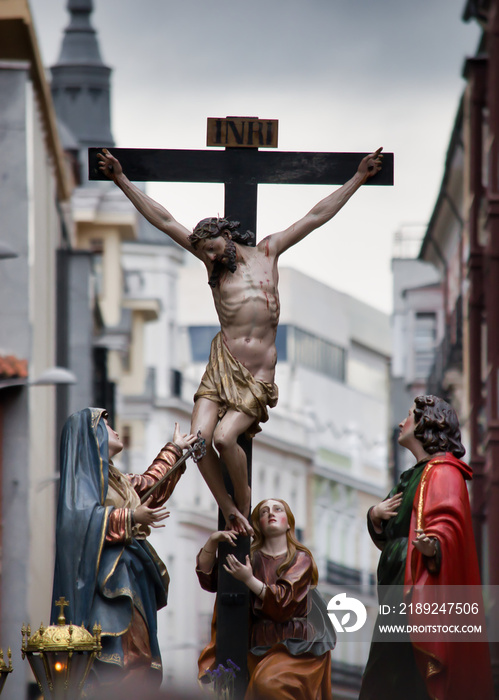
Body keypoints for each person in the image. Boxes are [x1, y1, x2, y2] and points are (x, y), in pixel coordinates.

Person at [97, 147, 383, 535]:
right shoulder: (209, 262)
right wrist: (120, 180)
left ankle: (243, 501)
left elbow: (316, 216)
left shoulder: (268, 250)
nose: (210, 258)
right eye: (204, 254)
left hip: (257, 369)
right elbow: (164, 220)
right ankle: (229, 508)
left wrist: (358, 178)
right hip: (223, 361)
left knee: (225, 437)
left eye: (213, 249)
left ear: (227, 235)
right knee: (196, 441)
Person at [51, 407, 196, 692]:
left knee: (139, 657)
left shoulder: (116, 480)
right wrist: (130, 518)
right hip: (108, 584)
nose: (113, 428)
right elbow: (78, 524)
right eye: (105, 423)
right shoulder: (85, 483)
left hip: (132, 573)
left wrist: (175, 449)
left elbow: (149, 486)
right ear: (90, 438)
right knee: (121, 657)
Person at [359, 395, 494, 700]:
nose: (401, 421)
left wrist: (433, 545)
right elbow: (391, 532)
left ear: (426, 423)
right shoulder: (412, 476)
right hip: (397, 584)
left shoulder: (444, 472)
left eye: (408, 415)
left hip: (417, 586)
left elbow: (448, 523)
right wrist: (374, 516)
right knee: (387, 670)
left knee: (403, 671)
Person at [196, 498, 335, 699]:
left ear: (288, 523)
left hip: (294, 647)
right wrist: (212, 542)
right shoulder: (251, 558)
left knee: (269, 683)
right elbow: (211, 579)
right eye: (264, 512)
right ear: (258, 524)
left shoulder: (300, 558)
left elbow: (283, 602)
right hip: (259, 646)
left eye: (277, 510)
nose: (270, 513)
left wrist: (249, 579)